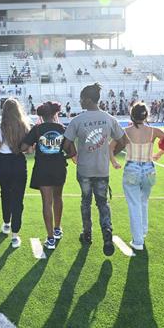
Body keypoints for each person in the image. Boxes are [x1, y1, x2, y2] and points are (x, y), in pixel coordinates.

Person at [63, 83, 125, 256]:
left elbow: (66, 144)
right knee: (102, 202)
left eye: (82, 98)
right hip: (101, 169)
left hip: (84, 169)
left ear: (88, 100)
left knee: (85, 202)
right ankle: (107, 231)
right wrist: (109, 152)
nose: (80, 101)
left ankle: (87, 233)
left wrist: (74, 155)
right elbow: (123, 141)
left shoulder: (77, 120)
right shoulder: (109, 118)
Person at [109, 103, 164, 250]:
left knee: (134, 204)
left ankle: (138, 241)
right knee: (143, 201)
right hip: (149, 169)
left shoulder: (125, 131)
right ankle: (142, 231)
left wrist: (114, 161)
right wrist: (159, 154)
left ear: (131, 115)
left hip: (132, 168)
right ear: (146, 115)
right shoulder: (153, 131)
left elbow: (110, 147)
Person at [21, 101, 69, 249]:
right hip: (59, 167)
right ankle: (57, 229)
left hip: (42, 168)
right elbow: (71, 151)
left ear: (41, 115)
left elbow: (23, 147)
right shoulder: (62, 128)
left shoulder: (36, 129)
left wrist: (36, 145)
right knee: (58, 197)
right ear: (55, 114)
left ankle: (50, 239)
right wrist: (61, 156)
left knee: (46, 202)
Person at [0, 98, 30, 248]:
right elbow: (28, 150)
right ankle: (15, 235)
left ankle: (7, 223)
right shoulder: (25, 126)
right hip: (19, 162)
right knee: (18, 198)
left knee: (5, 193)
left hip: (3, 163)